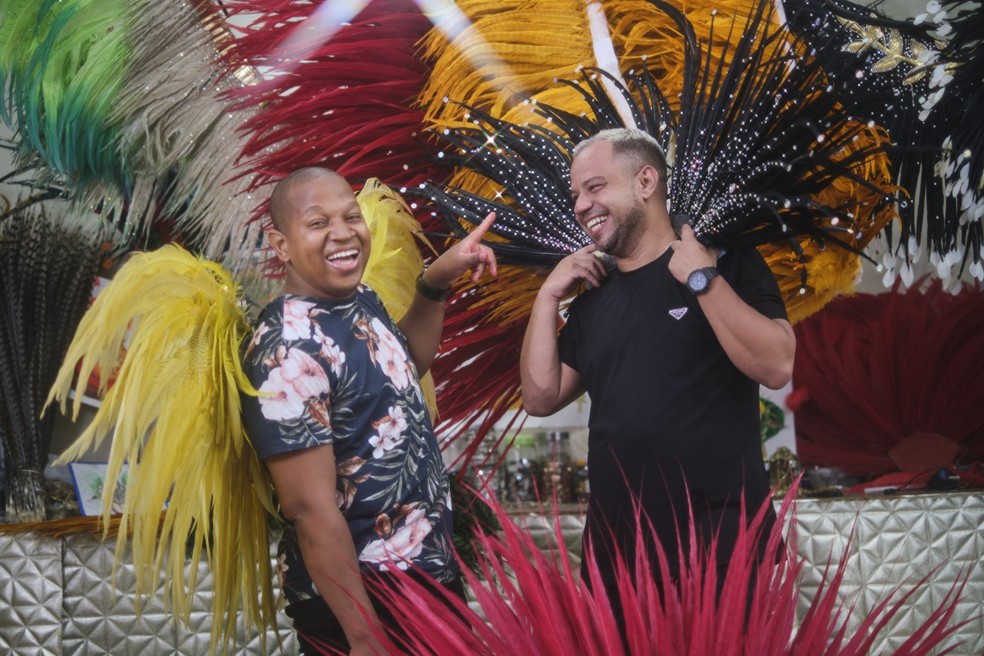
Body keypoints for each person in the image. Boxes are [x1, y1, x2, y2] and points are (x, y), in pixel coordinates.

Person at [519, 128, 795, 620]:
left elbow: (777, 365)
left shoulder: (724, 261)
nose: (581, 205)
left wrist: (701, 279)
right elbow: (540, 396)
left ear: (646, 181)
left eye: (595, 187)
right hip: (618, 555)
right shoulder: (593, 299)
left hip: (722, 543)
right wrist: (547, 297)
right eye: (576, 194)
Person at [240, 167, 497, 655]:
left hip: (423, 578)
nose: (343, 233)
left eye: (350, 216)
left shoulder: (359, 301)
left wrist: (437, 280)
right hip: (368, 601)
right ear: (280, 244)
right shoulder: (286, 351)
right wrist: (363, 635)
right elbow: (308, 508)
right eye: (318, 223)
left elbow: (403, 366)